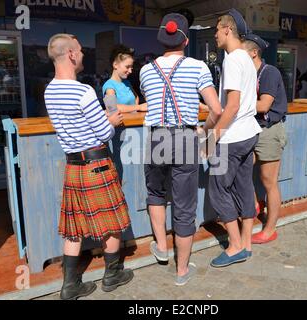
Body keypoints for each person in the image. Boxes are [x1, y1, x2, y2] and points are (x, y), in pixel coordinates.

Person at [44, 34, 134, 299]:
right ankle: (112, 275)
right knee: (112, 222)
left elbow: (75, 124)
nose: (83, 55)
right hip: (97, 163)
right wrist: (113, 121)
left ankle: (70, 286)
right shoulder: (82, 91)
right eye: (80, 51)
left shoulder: (50, 90)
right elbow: (104, 133)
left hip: (74, 165)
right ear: (71, 54)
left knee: (74, 225)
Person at [139, 13, 222, 285]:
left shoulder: (145, 70)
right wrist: (204, 130)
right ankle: (182, 270)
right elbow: (217, 110)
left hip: (155, 137)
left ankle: (161, 249)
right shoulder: (198, 67)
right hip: (184, 138)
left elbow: (150, 100)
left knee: (156, 192)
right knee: (185, 205)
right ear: (185, 39)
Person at [208, 8, 262, 268]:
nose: (215, 35)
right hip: (250, 133)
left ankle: (235, 246)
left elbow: (232, 106)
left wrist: (212, 137)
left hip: (233, 137)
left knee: (218, 190)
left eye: (217, 29)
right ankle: (247, 244)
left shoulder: (231, 59)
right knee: (244, 187)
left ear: (227, 29)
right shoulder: (246, 58)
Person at [243, 33, 288, 244]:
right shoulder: (246, 74)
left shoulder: (269, 72)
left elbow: (263, 106)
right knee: (240, 172)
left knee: (269, 182)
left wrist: (234, 106)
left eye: (240, 52)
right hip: (251, 129)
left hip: (269, 130)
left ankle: (270, 229)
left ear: (253, 52)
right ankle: (254, 206)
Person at [102, 45, 148, 113]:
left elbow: (136, 97)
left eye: (131, 68)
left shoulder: (127, 82)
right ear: (115, 65)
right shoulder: (109, 86)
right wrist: (139, 107)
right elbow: (111, 108)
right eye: (127, 67)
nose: (130, 71)